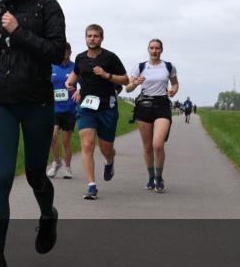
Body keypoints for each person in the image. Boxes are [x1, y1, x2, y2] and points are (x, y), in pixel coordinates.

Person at [0, 0, 65, 267]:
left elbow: (56, 51)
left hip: (37, 102)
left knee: (34, 175)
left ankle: (48, 215)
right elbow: (3, 47)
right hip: (2, 99)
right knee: (1, 178)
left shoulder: (48, 7)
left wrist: (19, 32)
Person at [66, 24, 129, 200]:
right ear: (85, 38)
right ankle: (91, 186)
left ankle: (110, 161)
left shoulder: (110, 58)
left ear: (101, 38)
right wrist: (70, 84)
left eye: (95, 36)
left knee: (106, 148)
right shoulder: (80, 58)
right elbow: (75, 76)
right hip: (86, 107)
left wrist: (106, 75)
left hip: (107, 108)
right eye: (89, 36)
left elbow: (125, 80)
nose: (92, 39)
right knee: (87, 144)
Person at [125, 39, 178, 193]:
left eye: (157, 48)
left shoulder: (168, 66)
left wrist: (174, 90)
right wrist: (135, 83)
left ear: (161, 50)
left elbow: (175, 83)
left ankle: (159, 177)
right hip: (144, 106)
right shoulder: (140, 67)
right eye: (152, 48)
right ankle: (150, 177)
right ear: (148, 49)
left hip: (162, 105)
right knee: (147, 147)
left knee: (158, 144)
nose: (154, 51)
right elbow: (128, 89)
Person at [47, 43, 78, 179]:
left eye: (67, 51)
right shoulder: (51, 66)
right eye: (62, 50)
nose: (65, 53)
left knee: (66, 141)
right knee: (52, 136)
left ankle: (68, 167)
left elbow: (84, 84)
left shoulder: (75, 68)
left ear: (70, 52)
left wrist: (78, 92)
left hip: (70, 109)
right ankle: (57, 162)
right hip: (54, 108)